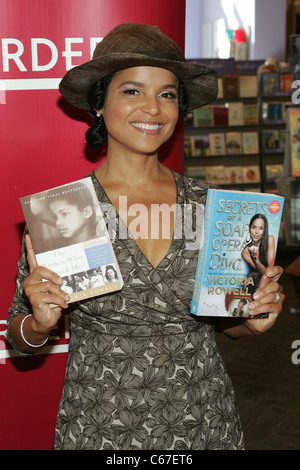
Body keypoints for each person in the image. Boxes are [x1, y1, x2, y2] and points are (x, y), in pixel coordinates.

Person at [7, 23, 284, 450]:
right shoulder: (66, 212)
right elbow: (18, 338)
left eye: (167, 94)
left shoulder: (214, 208)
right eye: (132, 91)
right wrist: (41, 325)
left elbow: (227, 323)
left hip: (202, 420)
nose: (152, 109)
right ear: (99, 104)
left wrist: (252, 320)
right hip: (100, 425)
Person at [241, 213, 276, 296]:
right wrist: (255, 260)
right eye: (254, 227)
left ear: (264, 230)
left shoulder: (270, 239)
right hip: (252, 282)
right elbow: (262, 272)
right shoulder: (245, 252)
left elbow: (269, 273)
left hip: (265, 281)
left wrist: (256, 260)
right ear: (249, 229)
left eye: (261, 228)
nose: (257, 232)